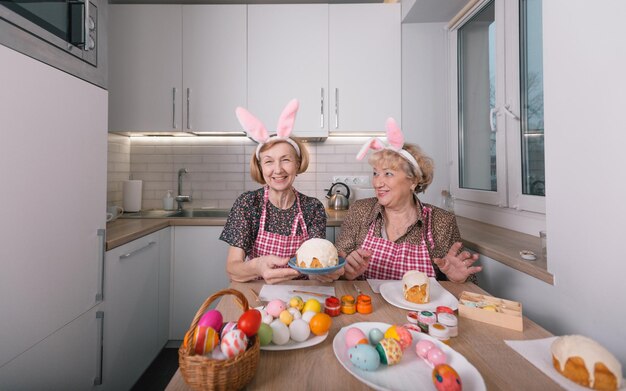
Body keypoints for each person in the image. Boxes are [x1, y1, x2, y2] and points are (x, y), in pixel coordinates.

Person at [335, 118, 482, 282]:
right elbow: (334, 266)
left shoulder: (441, 221)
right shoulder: (360, 211)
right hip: (368, 306)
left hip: (419, 307)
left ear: (413, 181)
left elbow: (467, 282)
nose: (377, 182)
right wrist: (344, 272)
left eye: (388, 174)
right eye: (375, 173)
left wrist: (458, 280)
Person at [220, 99, 343, 284]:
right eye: (269, 161)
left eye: (285, 160)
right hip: (257, 290)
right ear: (260, 167)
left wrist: (328, 272)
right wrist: (257, 266)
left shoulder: (313, 208)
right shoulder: (248, 203)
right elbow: (233, 269)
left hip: (301, 292)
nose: (278, 170)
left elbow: (315, 267)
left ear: (298, 164)